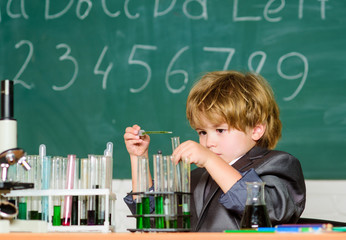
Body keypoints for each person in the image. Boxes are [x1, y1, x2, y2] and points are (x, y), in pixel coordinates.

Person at [123, 70, 306, 232]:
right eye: (202, 132)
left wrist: (210, 160)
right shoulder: (196, 177)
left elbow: (269, 212)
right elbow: (152, 219)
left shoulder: (279, 164)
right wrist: (139, 158)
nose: (209, 142)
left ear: (256, 129)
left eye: (220, 130)